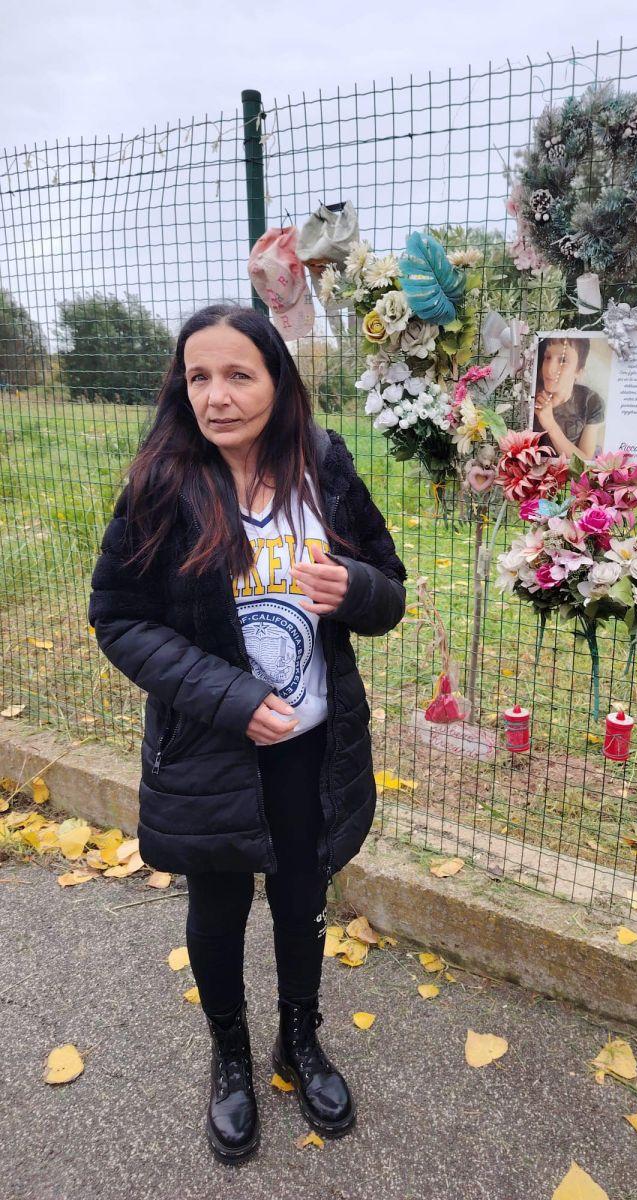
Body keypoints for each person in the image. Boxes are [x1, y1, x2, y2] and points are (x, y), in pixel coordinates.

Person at [88, 303, 407, 1164]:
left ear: (277, 380)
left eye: (239, 375)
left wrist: (356, 591)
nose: (217, 396)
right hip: (211, 752)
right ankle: (230, 1057)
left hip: (313, 746)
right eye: (199, 377)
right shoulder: (162, 484)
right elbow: (118, 617)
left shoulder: (324, 468)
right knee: (219, 906)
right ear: (181, 385)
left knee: (302, 901)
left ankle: (298, 1043)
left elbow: (390, 585)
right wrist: (228, 696)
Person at [531, 335, 604, 460]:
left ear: (579, 371)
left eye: (563, 360)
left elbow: (584, 461)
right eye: (547, 357)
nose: (549, 369)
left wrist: (550, 425)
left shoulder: (591, 401)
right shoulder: (531, 395)